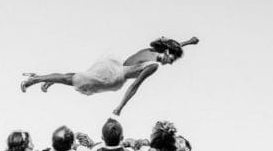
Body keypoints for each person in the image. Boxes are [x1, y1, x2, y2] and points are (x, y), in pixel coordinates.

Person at [21, 36, 199, 115]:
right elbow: (134, 86)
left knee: (74, 77)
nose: (170, 62)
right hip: (112, 78)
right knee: (73, 78)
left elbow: (172, 45)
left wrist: (188, 43)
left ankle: (43, 79)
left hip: (114, 68)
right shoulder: (153, 65)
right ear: (167, 51)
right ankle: (36, 79)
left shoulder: (151, 51)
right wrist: (120, 107)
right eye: (172, 59)